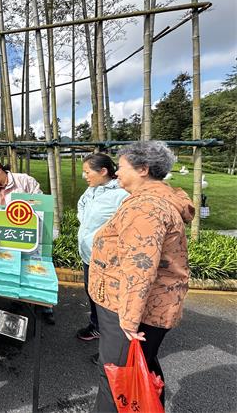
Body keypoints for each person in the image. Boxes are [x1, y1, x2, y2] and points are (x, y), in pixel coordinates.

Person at [89, 141, 194, 411]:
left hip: (129, 310)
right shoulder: (153, 200)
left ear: (143, 169)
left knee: (117, 377)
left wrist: (129, 320)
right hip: (145, 308)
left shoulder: (146, 208)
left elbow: (140, 266)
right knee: (141, 370)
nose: (116, 172)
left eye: (121, 167)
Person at [0, 159, 55, 324]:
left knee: (37, 266)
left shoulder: (24, 180)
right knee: (15, 266)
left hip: (31, 233)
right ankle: (18, 300)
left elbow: (40, 202)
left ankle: (45, 304)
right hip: (12, 235)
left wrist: (25, 210)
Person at [76, 154, 128, 363]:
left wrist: (100, 234)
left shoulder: (121, 194)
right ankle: (97, 327)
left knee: (108, 305)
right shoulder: (92, 189)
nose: (85, 176)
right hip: (89, 255)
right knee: (92, 293)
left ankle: (111, 352)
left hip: (107, 261)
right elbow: (82, 206)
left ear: (103, 171)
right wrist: (87, 225)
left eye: (87, 172)